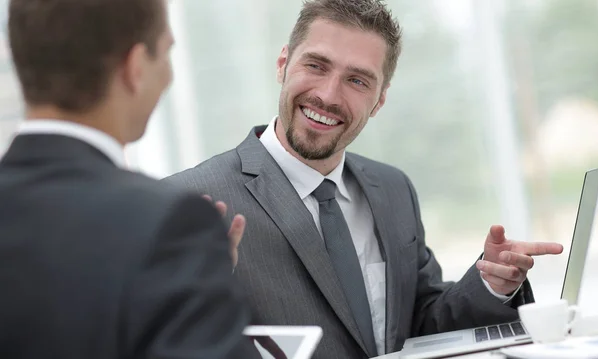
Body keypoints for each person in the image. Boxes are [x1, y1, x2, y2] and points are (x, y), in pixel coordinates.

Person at [165, 0, 563, 358]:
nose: (329, 94)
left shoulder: (393, 189)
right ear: (283, 64)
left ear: (379, 101)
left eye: (357, 80)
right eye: (316, 65)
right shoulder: (188, 201)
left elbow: (421, 325)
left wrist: (492, 283)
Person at [0, 0, 258, 358]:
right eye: (166, 52)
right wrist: (201, 283)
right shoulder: (170, 228)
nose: (168, 75)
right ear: (135, 67)